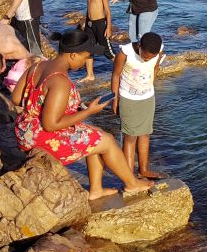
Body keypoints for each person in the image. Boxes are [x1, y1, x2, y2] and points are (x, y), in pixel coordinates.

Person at [11, 29, 152, 199]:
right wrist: (88, 111)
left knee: (95, 135)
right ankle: (132, 184)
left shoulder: (36, 66)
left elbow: (16, 99)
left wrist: (45, 106)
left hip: (25, 131)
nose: (86, 61)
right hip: (42, 138)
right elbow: (51, 125)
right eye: (85, 57)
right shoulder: (60, 81)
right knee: (107, 141)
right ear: (72, 55)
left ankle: (96, 190)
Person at [111, 32, 165, 179]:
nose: (147, 59)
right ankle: (129, 177)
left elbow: (155, 68)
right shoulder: (125, 53)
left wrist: (148, 85)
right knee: (130, 137)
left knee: (145, 134)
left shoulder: (158, 52)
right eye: (145, 56)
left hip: (147, 98)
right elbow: (115, 75)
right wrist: (115, 99)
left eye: (151, 57)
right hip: (128, 99)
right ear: (139, 45)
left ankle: (143, 169)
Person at [80, 0, 115, 82]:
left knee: (106, 51)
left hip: (101, 24)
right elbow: (89, 8)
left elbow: (108, 12)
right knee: (88, 49)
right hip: (90, 24)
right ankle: (90, 75)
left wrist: (108, 27)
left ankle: (124, 68)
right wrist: (86, 22)